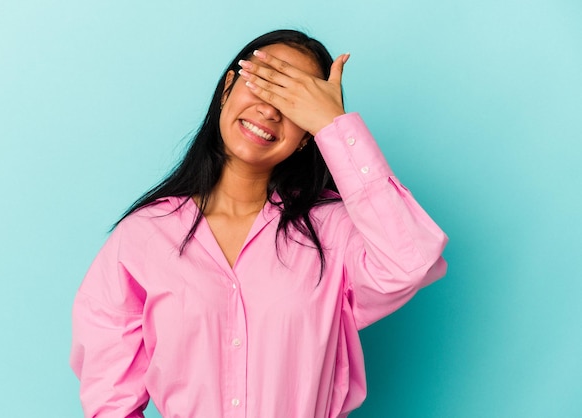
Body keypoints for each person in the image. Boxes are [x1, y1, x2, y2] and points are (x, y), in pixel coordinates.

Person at [70, 29, 448, 418]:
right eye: (263, 84)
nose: (270, 110)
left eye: (293, 101)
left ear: (306, 136)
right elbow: (110, 399)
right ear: (227, 89)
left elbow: (411, 260)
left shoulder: (333, 230)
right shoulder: (143, 237)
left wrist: (335, 126)